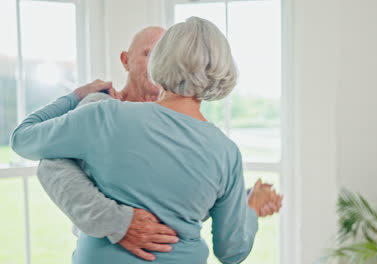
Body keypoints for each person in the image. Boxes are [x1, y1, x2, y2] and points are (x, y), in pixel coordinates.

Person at [12, 17, 281, 263]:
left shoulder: (105, 115)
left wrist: (74, 97)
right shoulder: (226, 152)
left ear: (160, 61)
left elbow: (23, 139)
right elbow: (232, 251)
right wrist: (250, 209)